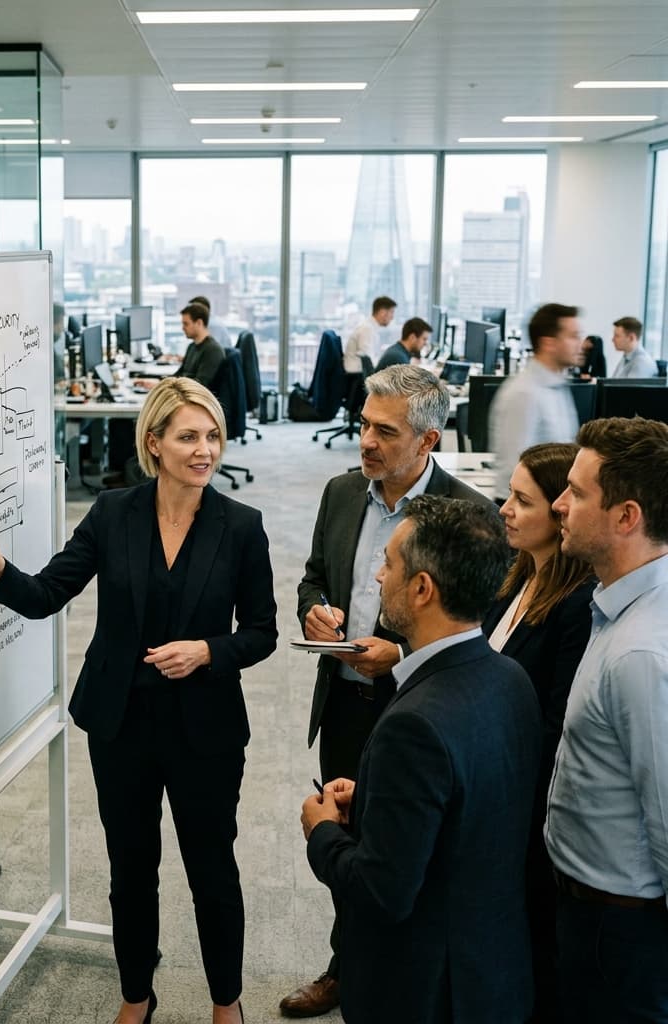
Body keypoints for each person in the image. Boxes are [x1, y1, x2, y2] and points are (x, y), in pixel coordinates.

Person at [0, 377, 276, 1024]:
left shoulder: (241, 525)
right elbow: (46, 594)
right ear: (154, 443)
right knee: (131, 869)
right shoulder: (113, 513)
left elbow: (263, 632)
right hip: (121, 723)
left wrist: (208, 651)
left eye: (212, 435)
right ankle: (136, 994)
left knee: (212, 869)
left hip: (205, 726)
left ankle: (226, 1001)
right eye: (189, 436)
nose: (205, 449)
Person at [281, 364, 493, 1019]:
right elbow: (314, 578)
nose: (366, 441)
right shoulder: (344, 494)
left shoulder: (469, 515)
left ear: (428, 441)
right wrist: (314, 609)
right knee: (348, 842)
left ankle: (396, 983)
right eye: (365, 425)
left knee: (409, 861)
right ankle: (348, 967)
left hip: (422, 715)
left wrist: (400, 655)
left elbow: (481, 632)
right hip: (345, 702)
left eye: (385, 431)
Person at [301, 495, 541, 1024]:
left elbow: (381, 893)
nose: (378, 578)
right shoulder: (510, 678)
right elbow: (471, 810)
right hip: (492, 973)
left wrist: (322, 832)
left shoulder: (413, 726)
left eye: (388, 563)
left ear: (423, 588)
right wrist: (378, 802)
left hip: (424, 991)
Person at [547, 416, 668, 1022]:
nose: (559, 503)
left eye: (577, 491)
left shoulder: (643, 652)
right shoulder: (615, 605)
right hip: (588, 907)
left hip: (620, 929)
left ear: (626, 517)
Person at [482, 442, 596, 1024]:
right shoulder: (518, 576)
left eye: (521, 501)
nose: (504, 508)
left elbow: (556, 726)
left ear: (559, 513)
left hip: (526, 804)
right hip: (495, 787)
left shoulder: (575, 606)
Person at [489, 302, 583, 493]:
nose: (580, 344)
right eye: (573, 336)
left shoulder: (557, 387)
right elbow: (514, 470)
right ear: (549, 343)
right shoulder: (524, 393)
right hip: (524, 513)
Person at [175, 301, 226, 388]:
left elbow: (200, 385)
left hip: (198, 398)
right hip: (185, 394)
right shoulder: (192, 347)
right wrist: (160, 382)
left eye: (186, 324)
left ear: (199, 323)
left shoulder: (212, 350)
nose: (183, 328)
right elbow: (180, 374)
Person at [343, 295, 396, 373]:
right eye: (391, 312)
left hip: (359, 373)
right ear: (382, 312)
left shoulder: (369, 327)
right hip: (357, 376)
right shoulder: (367, 329)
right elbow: (367, 359)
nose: (392, 317)